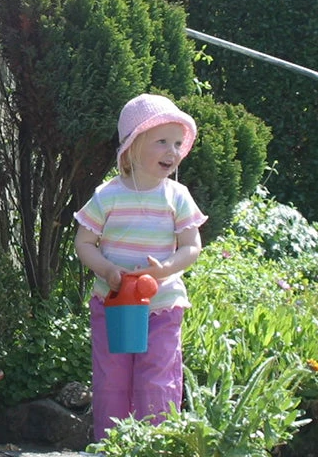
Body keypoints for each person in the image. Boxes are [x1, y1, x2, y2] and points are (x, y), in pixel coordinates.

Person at [74, 93, 208, 442]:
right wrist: (106, 270)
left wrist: (164, 268)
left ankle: (154, 446)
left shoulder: (177, 196)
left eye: (177, 143)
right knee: (112, 381)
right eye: (161, 141)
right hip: (113, 304)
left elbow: (193, 246)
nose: (172, 151)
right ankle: (112, 445)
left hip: (161, 305)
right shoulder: (108, 195)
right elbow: (84, 243)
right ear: (132, 147)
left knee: (157, 380)